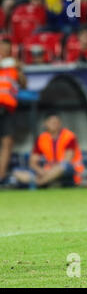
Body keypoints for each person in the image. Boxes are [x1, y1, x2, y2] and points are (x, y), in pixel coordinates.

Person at [12, 112, 84, 188]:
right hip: (47, 172)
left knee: (63, 166)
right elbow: (32, 162)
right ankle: (46, 181)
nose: (54, 125)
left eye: (57, 122)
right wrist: (41, 171)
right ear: (45, 123)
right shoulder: (42, 138)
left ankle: (39, 183)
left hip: (68, 171)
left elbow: (67, 160)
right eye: (52, 122)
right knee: (16, 172)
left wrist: (51, 172)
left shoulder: (69, 136)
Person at [0, 38, 26, 185]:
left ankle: (1, 176)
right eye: (2, 47)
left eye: (7, 48)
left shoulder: (13, 66)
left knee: (7, 142)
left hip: (7, 108)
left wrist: (19, 70)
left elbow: (23, 84)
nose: (4, 50)